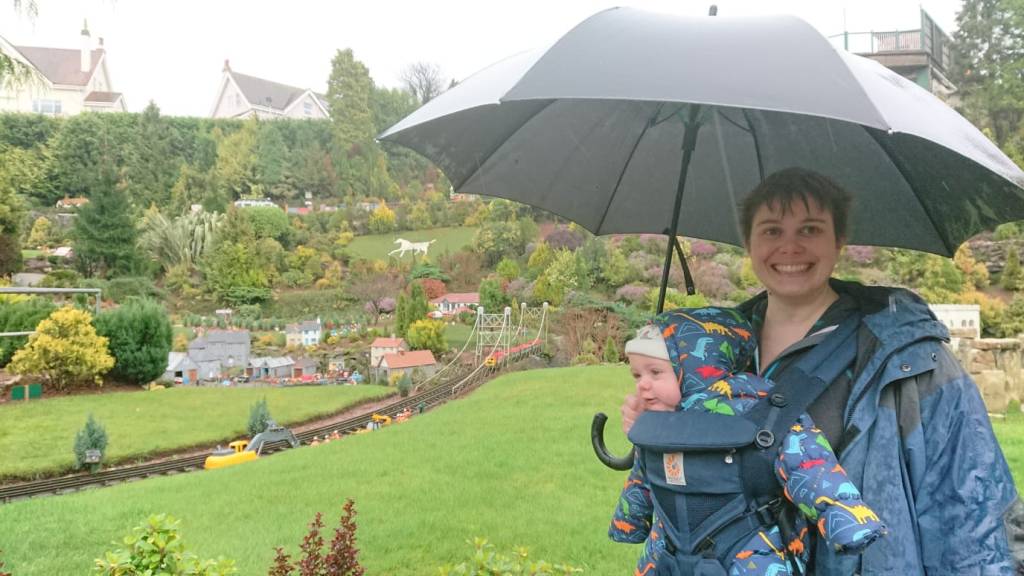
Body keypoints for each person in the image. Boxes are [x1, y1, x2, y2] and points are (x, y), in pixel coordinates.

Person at [619, 168, 1017, 573]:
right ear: (749, 242)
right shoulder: (711, 355)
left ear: (839, 240)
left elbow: (970, 504)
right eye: (772, 230)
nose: (789, 247)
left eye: (810, 229)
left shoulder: (908, 356)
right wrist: (656, 425)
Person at [610, 307, 884, 575]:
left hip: (749, 546)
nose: (642, 384)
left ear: (694, 367)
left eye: (655, 372)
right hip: (670, 547)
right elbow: (642, 478)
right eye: (637, 375)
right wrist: (630, 520)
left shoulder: (753, 409)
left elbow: (806, 460)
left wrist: (846, 517)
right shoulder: (656, 427)